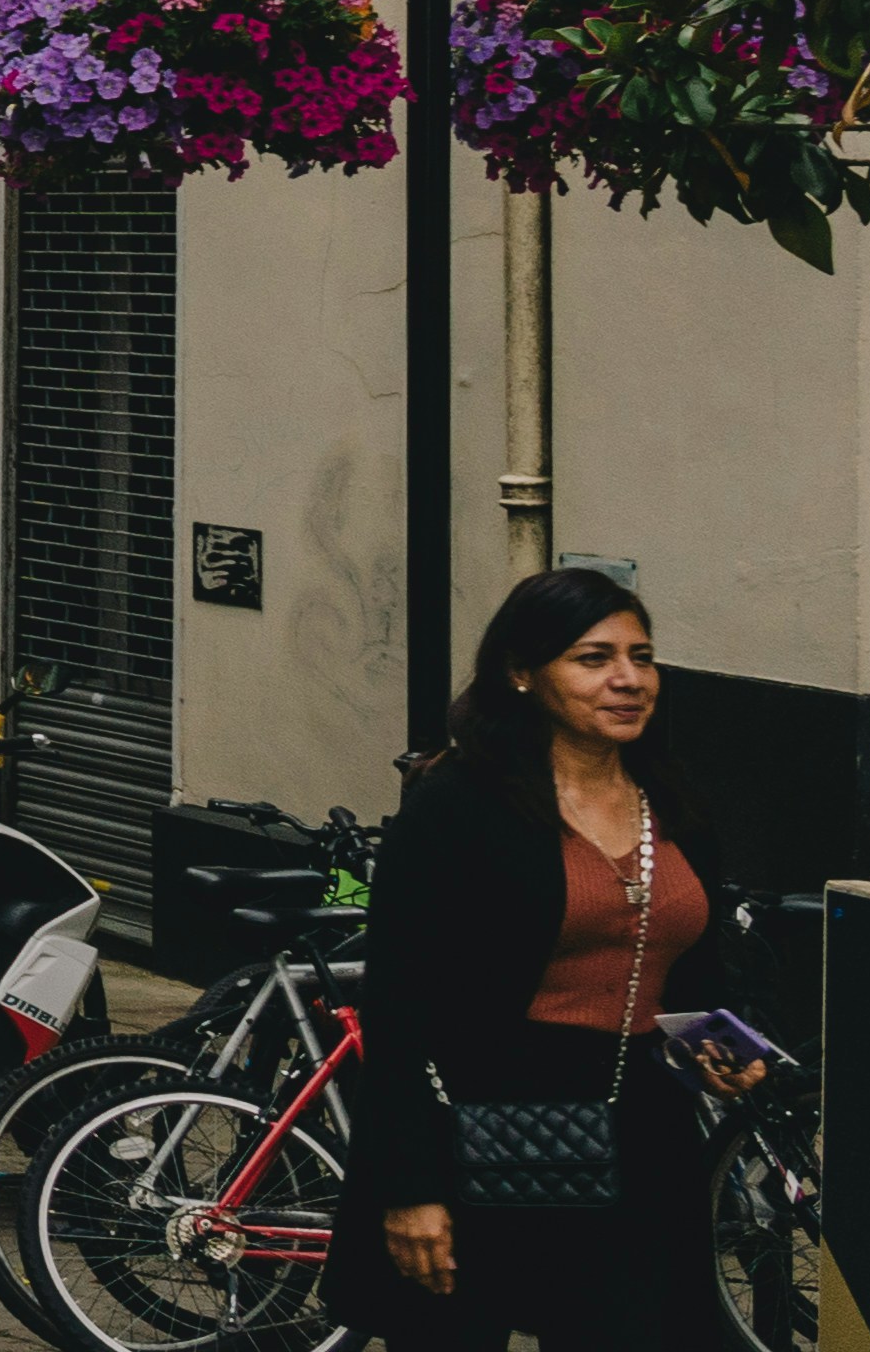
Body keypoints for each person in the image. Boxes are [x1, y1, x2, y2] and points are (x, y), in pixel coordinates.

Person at [332, 565, 764, 1348]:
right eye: (594, 658)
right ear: (523, 673)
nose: (629, 680)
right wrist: (410, 1191)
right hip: (484, 1124)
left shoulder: (674, 800)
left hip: (640, 1130)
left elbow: (689, 972)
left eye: (643, 656)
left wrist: (729, 1049)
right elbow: (398, 1009)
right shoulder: (459, 805)